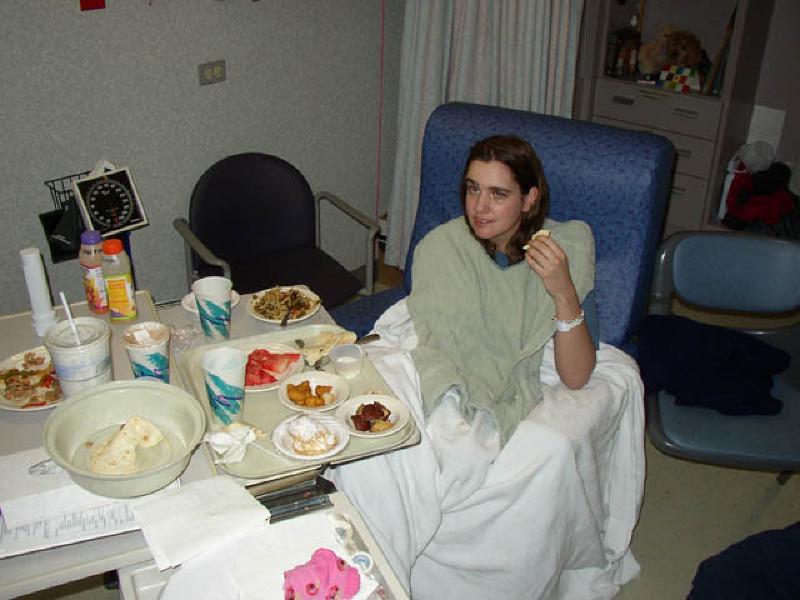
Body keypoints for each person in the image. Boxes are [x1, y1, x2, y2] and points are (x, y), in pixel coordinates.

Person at [327, 135, 644, 599]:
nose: (480, 206)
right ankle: (369, 572)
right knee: (373, 441)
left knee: (450, 452)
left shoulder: (563, 249)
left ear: (530, 198)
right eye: (472, 188)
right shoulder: (443, 246)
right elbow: (433, 332)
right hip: (437, 370)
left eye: (498, 194)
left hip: (493, 389)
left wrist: (561, 290)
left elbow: (576, 375)